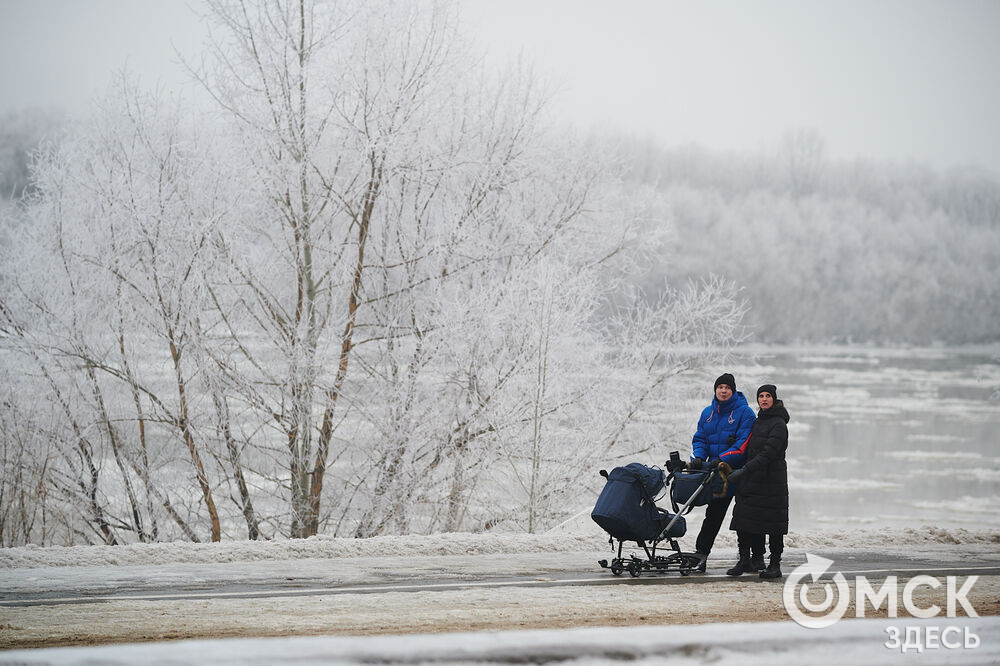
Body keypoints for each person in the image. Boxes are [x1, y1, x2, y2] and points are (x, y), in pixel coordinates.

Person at [688, 373, 757, 572]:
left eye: (727, 388)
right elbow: (700, 438)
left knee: (745, 515)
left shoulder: (745, 413)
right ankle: (701, 553)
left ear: (733, 391)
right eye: (720, 387)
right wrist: (700, 456)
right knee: (713, 514)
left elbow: (743, 443)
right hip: (716, 471)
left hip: (739, 471)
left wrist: (723, 458)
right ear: (715, 390)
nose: (723, 391)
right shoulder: (707, 413)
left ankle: (750, 557)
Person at [725, 384, 790, 579]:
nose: (763, 399)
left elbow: (769, 453)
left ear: (774, 399)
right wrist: (734, 445)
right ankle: (747, 559)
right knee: (745, 519)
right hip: (753, 479)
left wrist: (744, 470)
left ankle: (775, 564)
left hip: (772, 481)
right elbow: (750, 445)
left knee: (773, 523)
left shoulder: (779, 424)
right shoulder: (758, 421)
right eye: (761, 396)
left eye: (767, 396)